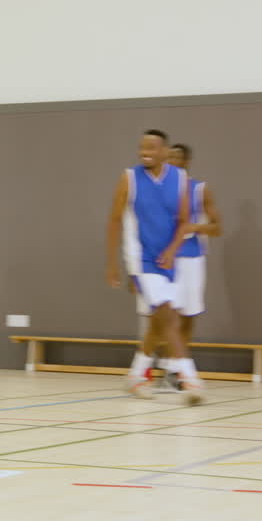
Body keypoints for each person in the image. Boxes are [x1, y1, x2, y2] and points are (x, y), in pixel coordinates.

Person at [105, 129, 203, 405]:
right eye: (141, 147)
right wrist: (113, 264)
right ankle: (191, 379)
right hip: (142, 261)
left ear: (164, 151)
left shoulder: (179, 178)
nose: (144, 151)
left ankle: (136, 376)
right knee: (168, 316)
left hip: (169, 261)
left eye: (151, 147)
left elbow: (184, 221)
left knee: (158, 326)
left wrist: (173, 251)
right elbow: (114, 220)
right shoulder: (129, 179)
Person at [156, 143, 222, 392]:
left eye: (177, 157)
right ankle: (166, 370)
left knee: (187, 316)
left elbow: (217, 227)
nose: (172, 161)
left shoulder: (200, 190)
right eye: (169, 157)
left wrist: (194, 227)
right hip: (164, 260)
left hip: (192, 258)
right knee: (165, 316)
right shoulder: (157, 192)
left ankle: (176, 372)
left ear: (186, 161)